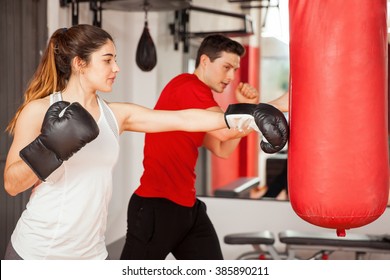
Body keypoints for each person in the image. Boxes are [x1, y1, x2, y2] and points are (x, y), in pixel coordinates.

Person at [3, 25, 286, 260]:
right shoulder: (39, 110)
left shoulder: (117, 115)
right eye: (107, 60)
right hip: (37, 252)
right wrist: (50, 147)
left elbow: (184, 120)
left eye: (116, 59)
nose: (116, 68)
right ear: (79, 63)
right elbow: (12, 184)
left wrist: (248, 114)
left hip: (91, 255)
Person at [120, 34, 289, 260]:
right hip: (157, 206)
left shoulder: (202, 97)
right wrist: (277, 105)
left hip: (188, 208)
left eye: (234, 69)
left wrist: (247, 108)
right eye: (226, 67)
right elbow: (224, 130)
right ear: (205, 61)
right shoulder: (188, 87)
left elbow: (222, 148)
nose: (231, 76)